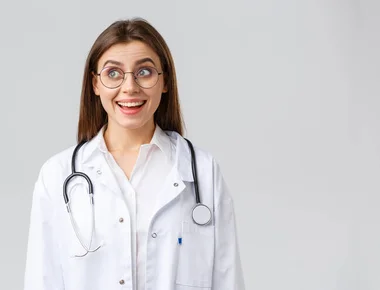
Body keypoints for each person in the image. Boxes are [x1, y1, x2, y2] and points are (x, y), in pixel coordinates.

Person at [23, 18, 245, 290]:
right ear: (95, 84)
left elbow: (227, 280)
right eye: (113, 73)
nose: (130, 87)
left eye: (145, 72)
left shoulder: (202, 170)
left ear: (165, 82)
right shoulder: (57, 175)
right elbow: (41, 280)